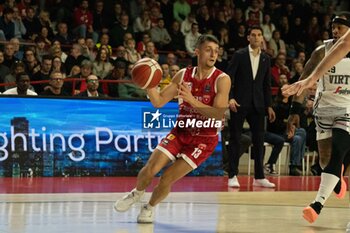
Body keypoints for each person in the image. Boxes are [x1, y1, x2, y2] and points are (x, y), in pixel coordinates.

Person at [114, 34, 230, 223]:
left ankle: (149, 207)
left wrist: (192, 100)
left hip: (204, 139)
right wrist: (149, 83)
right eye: (209, 50)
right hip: (180, 131)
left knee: (166, 178)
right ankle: (137, 192)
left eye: (216, 51)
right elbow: (158, 101)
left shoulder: (222, 79)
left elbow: (218, 114)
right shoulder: (183, 75)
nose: (213, 55)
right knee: (150, 168)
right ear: (197, 51)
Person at [282, 13, 350, 224]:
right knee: (325, 161)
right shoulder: (322, 51)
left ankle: (317, 204)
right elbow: (303, 81)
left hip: (347, 109)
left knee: (339, 150)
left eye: (340, 27)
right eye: (333, 27)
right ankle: (335, 177)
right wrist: (295, 110)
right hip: (324, 109)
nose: (335, 31)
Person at [226, 25, 276, 188]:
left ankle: (259, 176)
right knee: (235, 138)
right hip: (239, 103)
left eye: (259, 35)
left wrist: (269, 105)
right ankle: (232, 174)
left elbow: (266, 84)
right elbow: (228, 78)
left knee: (259, 140)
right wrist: (230, 98)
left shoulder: (266, 58)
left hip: (258, 104)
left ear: (262, 38)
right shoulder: (239, 55)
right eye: (253, 35)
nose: (256, 38)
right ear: (248, 38)